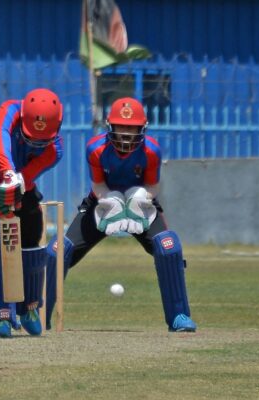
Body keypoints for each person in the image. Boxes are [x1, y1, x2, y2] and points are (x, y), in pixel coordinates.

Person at [45, 97, 197, 333]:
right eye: (121, 126)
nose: (126, 133)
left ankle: (179, 316)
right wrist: (111, 201)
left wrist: (140, 199)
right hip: (103, 203)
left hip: (141, 204)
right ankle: (38, 314)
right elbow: (97, 184)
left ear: (142, 128)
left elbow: (153, 186)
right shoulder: (96, 148)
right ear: (110, 126)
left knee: (169, 249)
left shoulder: (151, 150)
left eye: (132, 127)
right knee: (57, 252)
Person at [0, 88, 64, 338]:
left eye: (42, 140)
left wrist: (12, 194)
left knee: (32, 231)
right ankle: (0, 315)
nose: (36, 145)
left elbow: (27, 177)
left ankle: (29, 306)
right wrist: (7, 175)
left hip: (20, 182)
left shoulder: (54, 150)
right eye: (31, 139)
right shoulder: (8, 112)